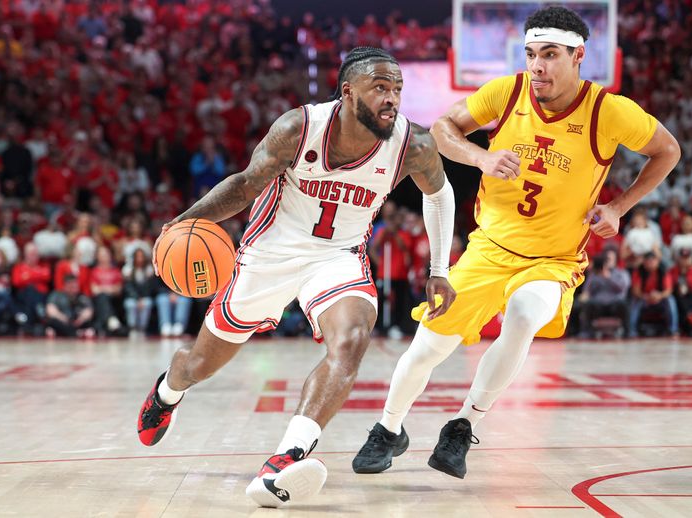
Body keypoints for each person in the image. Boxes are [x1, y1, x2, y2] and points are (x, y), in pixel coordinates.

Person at [352, 6, 680, 479]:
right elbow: (443, 129)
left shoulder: (608, 110)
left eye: (549, 55)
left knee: (525, 313)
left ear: (578, 55)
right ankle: (389, 428)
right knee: (428, 347)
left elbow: (668, 150)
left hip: (554, 258)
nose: (537, 66)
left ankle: (463, 425)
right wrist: (480, 157)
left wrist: (618, 207)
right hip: (489, 248)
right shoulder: (507, 94)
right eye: (531, 54)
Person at [136, 47, 456, 508]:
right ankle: (168, 391)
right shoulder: (299, 128)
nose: (392, 98)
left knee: (351, 338)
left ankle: (288, 455)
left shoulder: (414, 144)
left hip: (337, 257)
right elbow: (245, 186)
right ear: (348, 93)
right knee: (199, 365)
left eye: (398, 89)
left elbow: (440, 193)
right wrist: (183, 223)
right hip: (269, 254)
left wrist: (439, 270)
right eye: (380, 88)